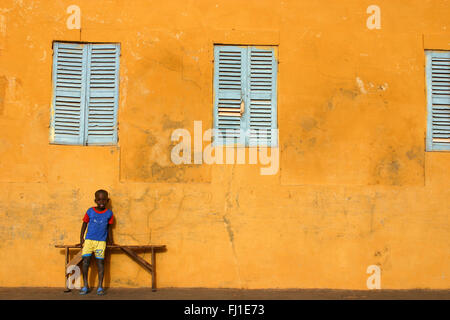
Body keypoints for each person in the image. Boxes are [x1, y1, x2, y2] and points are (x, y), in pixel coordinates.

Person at [78, 189, 115, 295]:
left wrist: (111, 240)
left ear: (107, 200)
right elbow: (84, 224)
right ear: (95, 200)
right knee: (85, 262)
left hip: (101, 242)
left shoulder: (109, 213)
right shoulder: (90, 211)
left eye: (104, 200)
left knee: (100, 263)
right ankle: (85, 286)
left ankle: (100, 287)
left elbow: (109, 228)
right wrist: (81, 238)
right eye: (99, 200)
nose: (101, 202)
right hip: (89, 240)